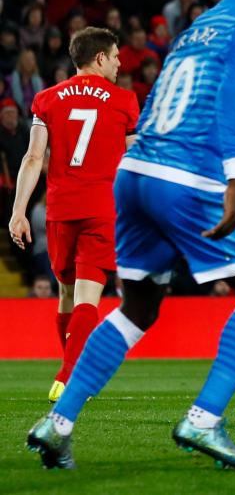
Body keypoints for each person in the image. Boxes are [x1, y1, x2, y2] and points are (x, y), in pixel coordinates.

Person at [26, 0, 235, 471]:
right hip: (188, 175)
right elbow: (231, 102)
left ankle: (58, 422)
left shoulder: (195, 28)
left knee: (138, 307)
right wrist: (234, 184)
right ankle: (204, 417)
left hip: (136, 173)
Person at [8, 27, 139, 404]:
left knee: (67, 293)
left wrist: (18, 211)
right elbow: (132, 162)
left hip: (59, 210)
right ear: (99, 58)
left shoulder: (46, 99)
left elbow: (34, 158)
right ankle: (67, 377)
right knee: (87, 298)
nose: (119, 63)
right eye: (114, 56)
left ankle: (68, 370)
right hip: (102, 209)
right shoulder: (125, 101)